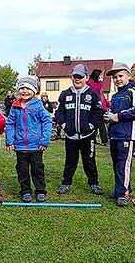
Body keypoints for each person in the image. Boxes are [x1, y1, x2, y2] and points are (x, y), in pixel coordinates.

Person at [55, 64, 104, 195]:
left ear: (86, 78)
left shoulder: (92, 94)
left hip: (87, 136)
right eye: (75, 76)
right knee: (70, 161)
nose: (77, 79)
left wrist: (91, 125)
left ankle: (94, 183)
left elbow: (99, 112)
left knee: (89, 161)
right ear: (71, 77)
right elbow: (59, 113)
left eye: (80, 77)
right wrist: (65, 125)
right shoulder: (65, 94)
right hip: (71, 136)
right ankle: (66, 183)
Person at [6, 76, 52, 202]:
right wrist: (10, 140)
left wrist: (44, 140)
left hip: (36, 146)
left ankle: (40, 191)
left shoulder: (38, 105)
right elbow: (10, 124)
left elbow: (47, 122)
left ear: (34, 90)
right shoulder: (15, 106)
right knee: (22, 170)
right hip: (20, 146)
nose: (25, 91)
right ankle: (25, 191)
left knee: (37, 169)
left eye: (28, 88)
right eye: (22, 88)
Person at [104, 63, 135, 207]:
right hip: (114, 135)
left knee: (123, 163)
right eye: (115, 77)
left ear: (128, 75)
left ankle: (122, 194)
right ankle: (124, 188)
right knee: (116, 164)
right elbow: (113, 115)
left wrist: (118, 117)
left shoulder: (133, 92)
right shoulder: (115, 96)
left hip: (127, 135)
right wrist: (108, 117)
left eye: (120, 76)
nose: (118, 79)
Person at [87, 69, 110, 146]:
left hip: (99, 107)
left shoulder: (95, 83)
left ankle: (94, 139)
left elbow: (101, 95)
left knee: (97, 125)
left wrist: (107, 103)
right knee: (100, 125)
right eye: (100, 75)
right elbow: (96, 91)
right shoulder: (90, 83)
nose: (101, 77)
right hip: (94, 108)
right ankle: (104, 140)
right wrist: (101, 82)